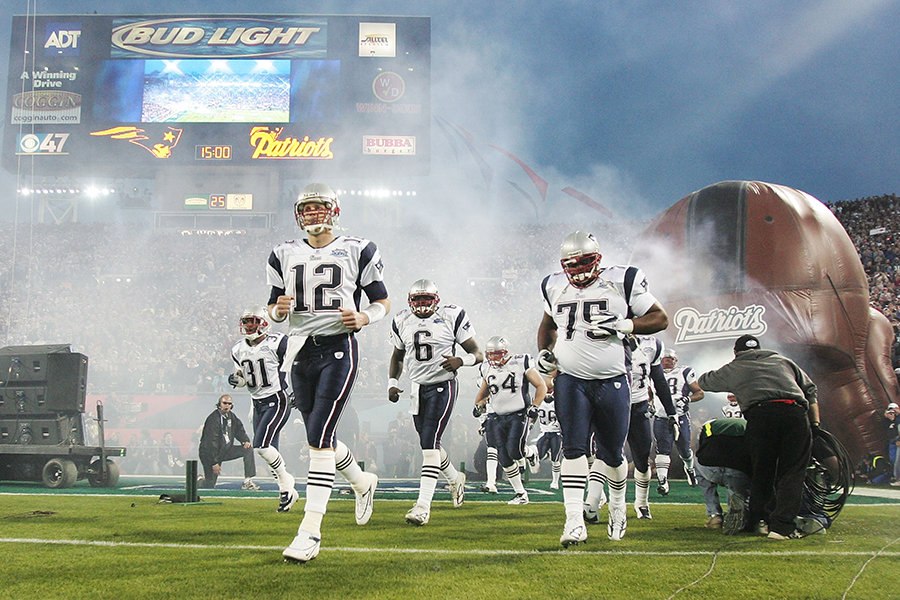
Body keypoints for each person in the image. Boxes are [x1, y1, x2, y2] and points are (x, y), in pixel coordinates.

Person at [269, 183, 388, 563]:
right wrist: (277, 312)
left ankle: (311, 530)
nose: (312, 215)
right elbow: (273, 307)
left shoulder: (358, 248)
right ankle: (360, 480)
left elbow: (382, 299)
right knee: (319, 434)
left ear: (334, 210)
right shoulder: (282, 253)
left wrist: (366, 316)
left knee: (318, 440)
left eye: (319, 207)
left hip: (338, 348)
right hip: (300, 351)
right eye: (306, 208)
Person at [537, 230, 668, 546]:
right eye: (572, 264)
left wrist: (626, 325)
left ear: (597, 259)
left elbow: (660, 318)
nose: (579, 269)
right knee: (574, 448)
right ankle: (573, 521)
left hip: (612, 380)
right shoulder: (553, 284)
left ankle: (619, 506)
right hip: (570, 380)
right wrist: (545, 353)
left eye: (584, 262)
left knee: (611, 455)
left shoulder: (623, 280)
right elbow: (547, 325)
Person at [697, 334, 820, 540]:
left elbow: (704, 382)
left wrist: (736, 379)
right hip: (795, 413)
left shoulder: (734, 367)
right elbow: (810, 390)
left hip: (761, 415)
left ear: (736, 352)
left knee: (762, 471)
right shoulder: (783, 361)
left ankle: (758, 520)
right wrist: (815, 424)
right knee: (792, 472)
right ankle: (782, 528)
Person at [388, 278, 482, 526]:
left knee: (429, 444)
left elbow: (478, 353)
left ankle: (423, 505)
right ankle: (454, 478)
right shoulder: (401, 320)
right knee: (428, 443)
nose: (421, 305)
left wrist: (461, 361)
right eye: (417, 301)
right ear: (410, 302)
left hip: (443, 384)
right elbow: (397, 356)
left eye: (426, 300)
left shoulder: (453, 315)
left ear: (436, 300)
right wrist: (392, 382)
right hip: (417, 388)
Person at [585, 334, 678, 522]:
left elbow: (659, 381)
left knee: (642, 456)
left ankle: (642, 503)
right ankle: (592, 503)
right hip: (611, 404)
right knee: (604, 452)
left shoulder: (652, 344)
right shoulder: (605, 337)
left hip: (638, 406)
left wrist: (671, 412)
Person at [229, 305, 298, 513]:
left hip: (277, 399)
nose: (249, 326)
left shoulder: (277, 342)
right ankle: (285, 493)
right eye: (246, 321)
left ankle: (288, 486)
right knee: (270, 453)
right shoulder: (238, 349)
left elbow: (297, 364)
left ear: (264, 322)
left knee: (261, 446)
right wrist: (237, 380)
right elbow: (242, 377)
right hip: (257, 403)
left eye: (253, 321)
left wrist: (298, 390)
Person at [473, 335, 547, 505]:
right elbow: (482, 394)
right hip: (496, 417)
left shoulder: (521, 362)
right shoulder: (486, 368)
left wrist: (535, 405)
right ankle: (521, 494)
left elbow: (541, 385)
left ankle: (531, 452)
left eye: (497, 354)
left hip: (518, 414)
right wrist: (479, 405)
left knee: (515, 451)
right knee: (504, 458)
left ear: (505, 352)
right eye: (490, 354)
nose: (493, 358)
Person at [653, 348, 704, 495]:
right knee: (662, 450)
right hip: (661, 417)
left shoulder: (685, 371)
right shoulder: (653, 373)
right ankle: (663, 481)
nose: (667, 363)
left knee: (685, 450)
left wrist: (687, 399)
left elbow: (699, 393)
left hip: (680, 416)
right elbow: (649, 393)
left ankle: (689, 468)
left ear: (676, 360)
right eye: (665, 359)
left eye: (670, 359)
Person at [694, 417, 753, 535]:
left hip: (709, 468)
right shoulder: (750, 427)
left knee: (697, 461)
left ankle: (715, 514)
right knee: (737, 490)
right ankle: (739, 512)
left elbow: (702, 448)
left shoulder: (709, 426)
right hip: (736, 470)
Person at [198, 394, 258, 490]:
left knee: (248, 449)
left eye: (229, 404)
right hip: (209, 454)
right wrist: (214, 463)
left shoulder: (231, 416)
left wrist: (245, 440)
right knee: (209, 485)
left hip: (225, 450)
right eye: (224, 403)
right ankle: (199, 480)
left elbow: (239, 429)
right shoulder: (213, 419)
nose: (227, 405)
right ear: (219, 404)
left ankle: (248, 480)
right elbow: (210, 443)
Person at [532, 389, 562, 490]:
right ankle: (546, 455)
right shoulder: (538, 400)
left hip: (556, 433)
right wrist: (531, 424)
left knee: (555, 459)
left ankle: (555, 482)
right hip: (544, 432)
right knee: (538, 456)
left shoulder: (559, 401)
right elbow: (534, 414)